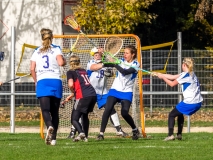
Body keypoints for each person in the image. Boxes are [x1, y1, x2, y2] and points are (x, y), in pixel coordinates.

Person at [67, 47, 128, 139]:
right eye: (95, 54)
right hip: (90, 91)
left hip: (102, 92)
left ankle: (119, 130)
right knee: (81, 112)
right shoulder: (91, 62)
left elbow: (111, 72)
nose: (97, 55)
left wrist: (109, 71)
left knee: (111, 109)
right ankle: (73, 131)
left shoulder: (105, 63)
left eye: (98, 54)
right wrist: (105, 63)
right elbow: (94, 67)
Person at [30, 28, 66, 145]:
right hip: (55, 80)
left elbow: (32, 69)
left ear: (42, 38)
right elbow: (61, 63)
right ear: (52, 37)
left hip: (43, 81)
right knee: (54, 111)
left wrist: (36, 81)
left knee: (45, 110)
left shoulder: (36, 51)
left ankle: (49, 126)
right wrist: (64, 60)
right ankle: (54, 139)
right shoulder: (56, 49)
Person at [97, 45, 140, 140]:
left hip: (126, 92)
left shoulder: (136, 64)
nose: (124, 55)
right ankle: (101, 134)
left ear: (132, 55)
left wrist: (116, 63)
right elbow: (108, 63)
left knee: (124, 113)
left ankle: (135, 129)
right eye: (124, 53)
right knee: (107, 109)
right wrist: (103, 56)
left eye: (127, 53)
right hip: (115, 90)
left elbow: (125, 72)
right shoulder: (121, 61)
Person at [155, 57, 203, 141]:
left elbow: (172, 84)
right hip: (198, 102)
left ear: (184, 64)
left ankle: (170, 135)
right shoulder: (191, 73)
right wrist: (160, 74)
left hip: (190, 102)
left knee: (171, 114)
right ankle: (179, 134)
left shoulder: (185, 75)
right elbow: (173, 76)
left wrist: (163, 78)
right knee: (180, 113)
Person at [66, 55, 97, 142]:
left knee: (74, 119)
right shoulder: (83, 71)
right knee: (84, 115)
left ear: (70, 62)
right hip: (92, 95)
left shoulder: (70, 72)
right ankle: (85, 137)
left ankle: (81, 132)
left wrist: (73, 91)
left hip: (83, 96)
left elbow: (71, 84)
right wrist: (73, 94)